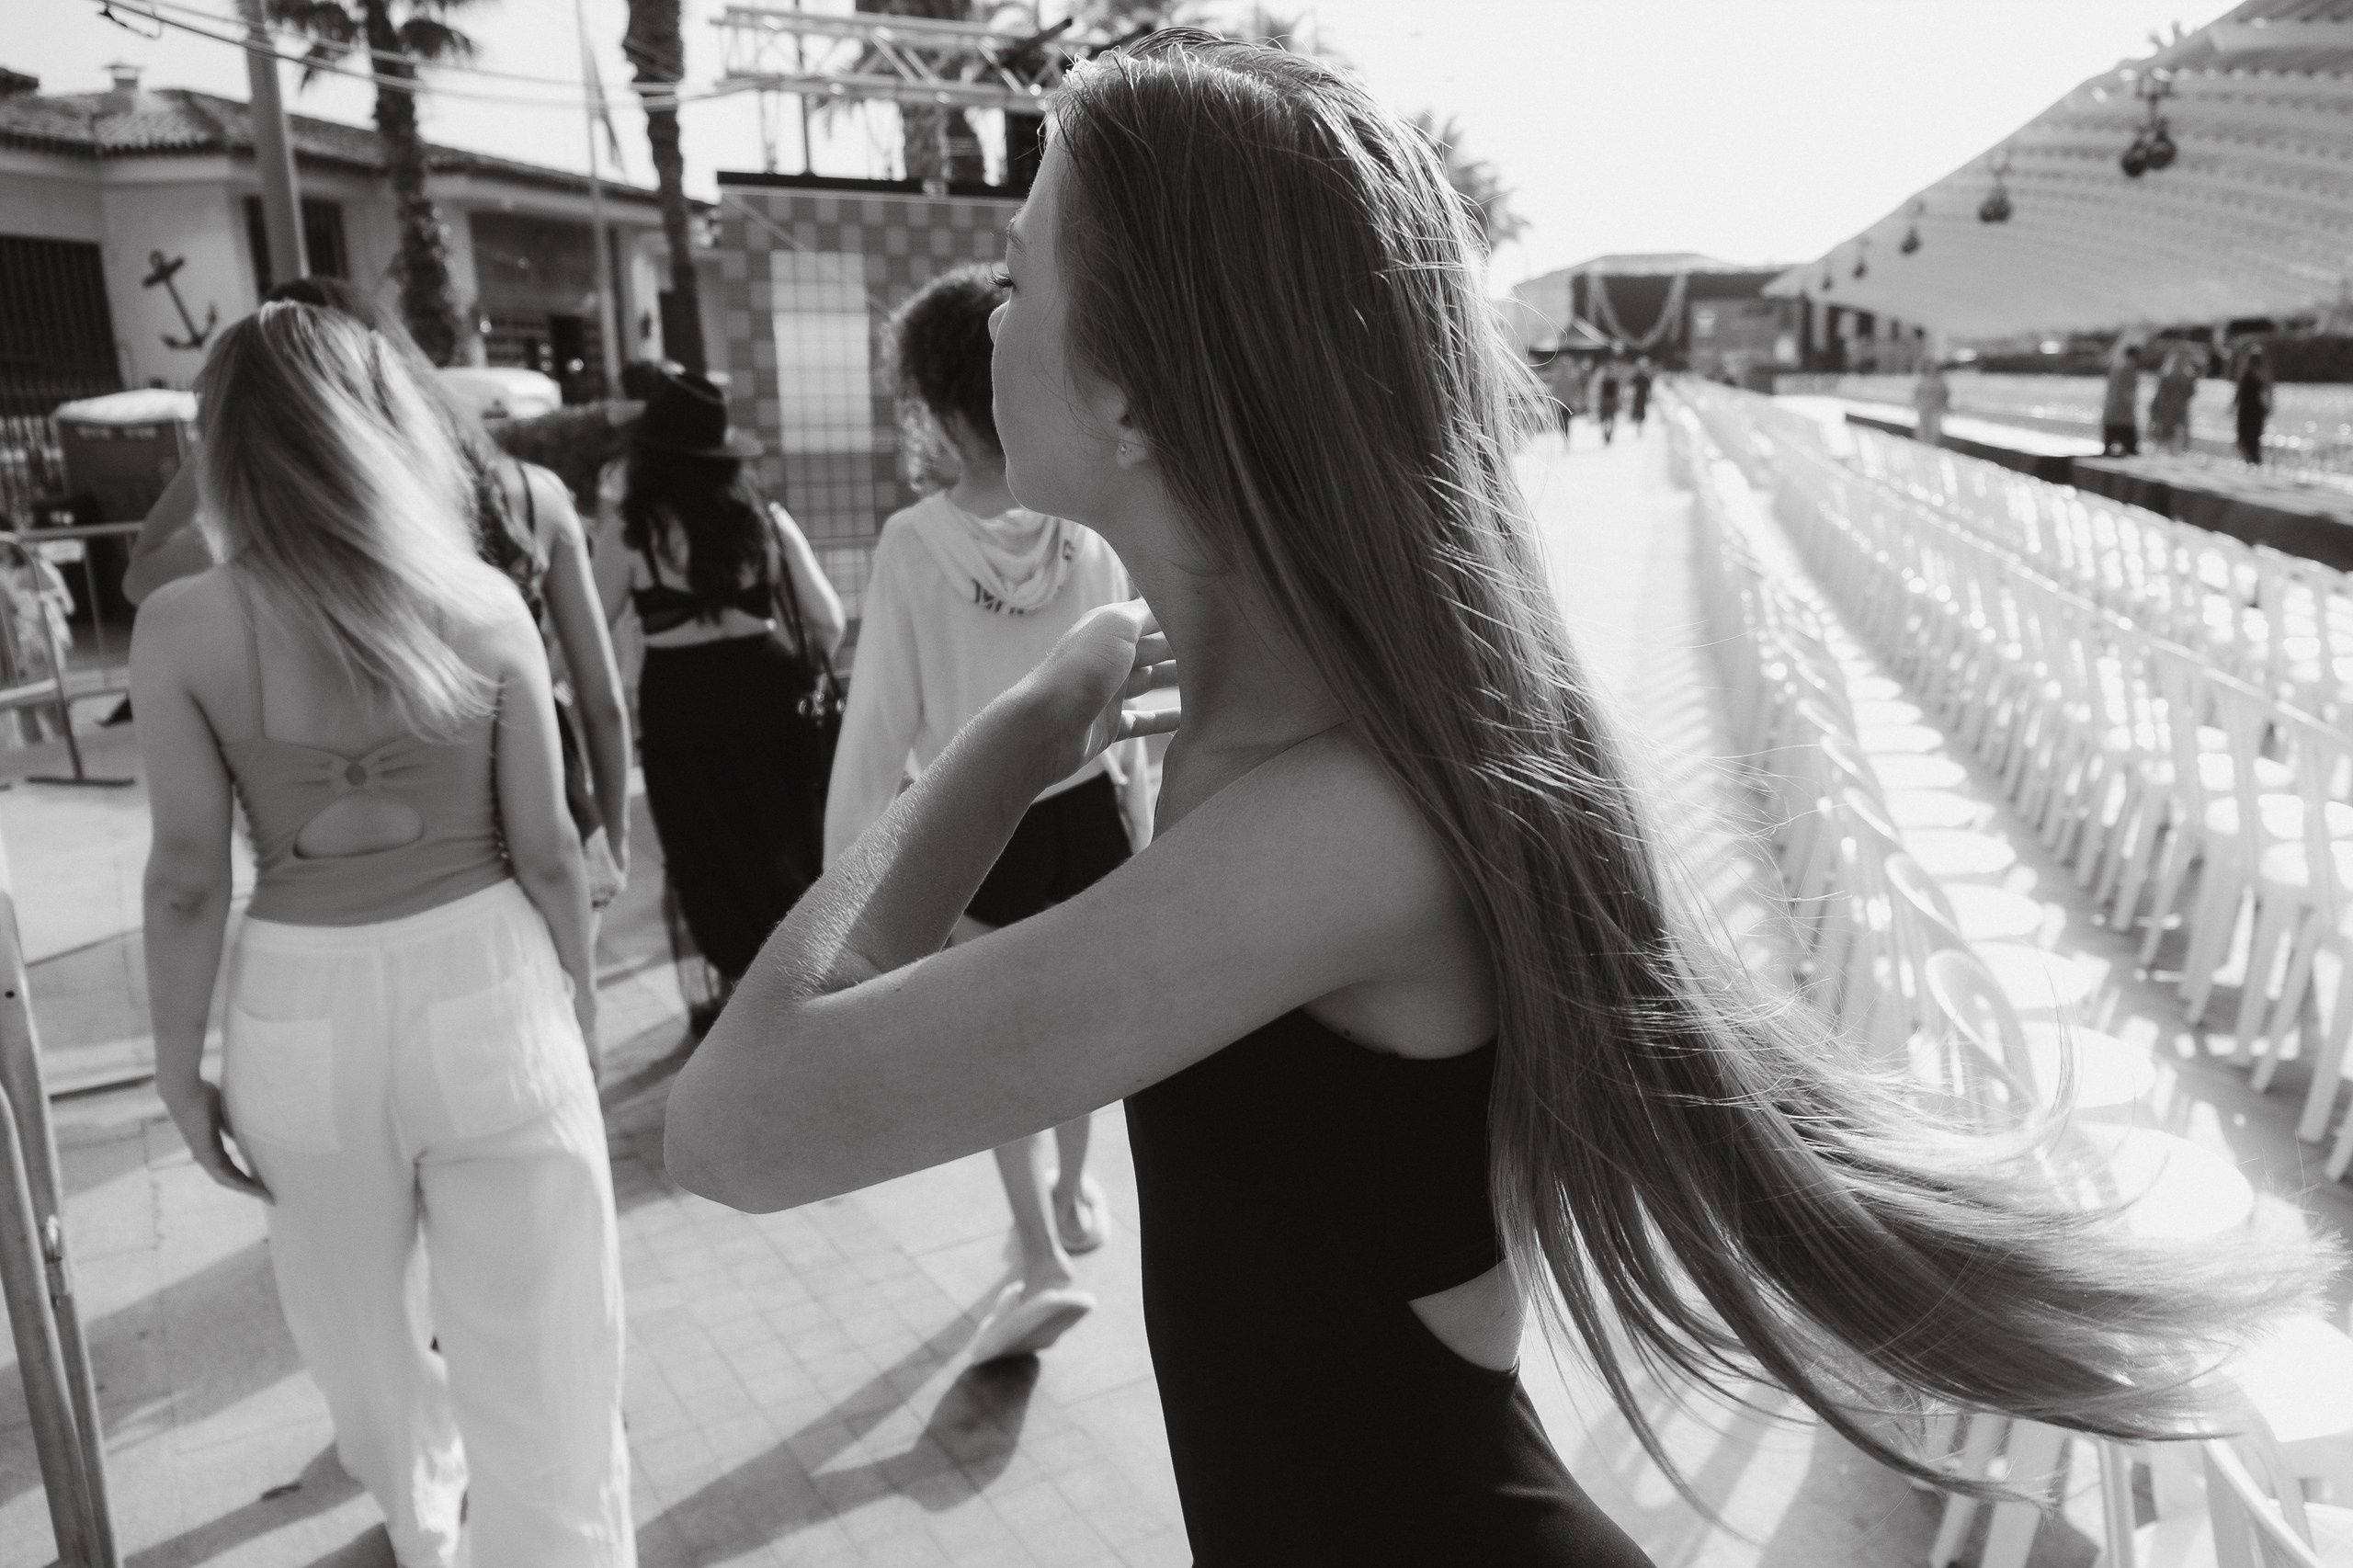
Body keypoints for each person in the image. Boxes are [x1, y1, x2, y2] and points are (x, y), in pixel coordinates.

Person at [664, 34, 2315, 1564]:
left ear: (1137, 397)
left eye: (1022, 276)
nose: (991, 319)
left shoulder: (1330, 830)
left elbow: (734, 1124)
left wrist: (1025, 724)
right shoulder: (1290, 757)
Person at [132, 303, 631, 1563]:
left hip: (298, 1010)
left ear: (222, 447)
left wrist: (178, 1069)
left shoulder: (181, 625)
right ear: (385, 426)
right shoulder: (481, 601)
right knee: (549, 1357)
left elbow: (186, 880)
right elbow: (550, 847)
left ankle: (420, 1515)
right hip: (489, 981)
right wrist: (576, 1004)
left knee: (353, 1330)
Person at [826, 264, 1149, 1363]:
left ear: (933, 400)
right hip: (1092, 817)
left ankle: (1041, 1251)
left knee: (998, 1046)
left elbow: (878, 728)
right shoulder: (1084, 521)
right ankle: (1072, 1191)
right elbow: (1125, 687)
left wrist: (843, 888)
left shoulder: (914, 542)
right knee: (1078, 1028)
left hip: (976, 831)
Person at [123, 279, 633, 916]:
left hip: (397, 848)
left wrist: (228, 429)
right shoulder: (535, 494)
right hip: (552, 809)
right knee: (554, 981)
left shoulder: (289, 536)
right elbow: (601, 700)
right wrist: (614, 831)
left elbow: (142, 571)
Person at [594, 370, 844, 1030]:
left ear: (650, 454)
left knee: (707, 857)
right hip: (769, 697)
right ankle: (802, 990)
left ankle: (744, 1007)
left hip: (681, 711)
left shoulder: (630, 531)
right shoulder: (763, 520)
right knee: (782, 846)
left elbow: (585, 639)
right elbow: (827, 621)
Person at [2148, 346, 2199, 455]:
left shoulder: (2166, 377)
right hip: (2179, 409)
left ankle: (2164, 454)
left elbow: (2160, 396)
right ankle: (2178, 453)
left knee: (2165, 437)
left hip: (2168, 409)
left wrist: (2154, 411)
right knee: (2178, 437)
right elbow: (2192, 394)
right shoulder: (2187, 378)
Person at [2234, 344, 2273, 465]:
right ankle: (2253, 459)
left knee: (2245, 435)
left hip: (2246, 408)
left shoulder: (2246, 373)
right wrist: (2269, 407)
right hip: (2256, 409)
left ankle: (2250, 459)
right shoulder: (2263, 374)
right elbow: (2269, 392)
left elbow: (2239, 391)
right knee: (2254, 435)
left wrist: (2233, 404)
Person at [2102, 344, 2143, 456]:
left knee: (2109, 445)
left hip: (2112, 412)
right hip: (2123, 414)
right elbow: (2127, 391)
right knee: (2130, 446)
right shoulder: (2129, 367)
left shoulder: (2117, 366)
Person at [1913, 359, 1951, 448]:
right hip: (1924, 409)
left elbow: (1945, 395)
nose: (1932, 369)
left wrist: (1945, 407)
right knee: (1923, 430)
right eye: (1930, 367)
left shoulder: (1941, 381)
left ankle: (1932, 448)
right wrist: (1916, 405)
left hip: (1936, 410)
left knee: (1935, 431)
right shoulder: (1923, 380)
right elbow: (1917, 394)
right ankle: (1923, 447)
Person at [1595, 359, 1621, 444]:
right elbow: (1600, 392)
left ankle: (1609, 434)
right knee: (1604, 419)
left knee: (1612, 419)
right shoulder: (1604, 381)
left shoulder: (1615, 381)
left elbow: (1617, 393)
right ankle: (1605, 433)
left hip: (1612, 401)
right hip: (1605, 401)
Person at [1628, 357, 1653, 435]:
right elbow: (1631, 386)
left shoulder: (1645, 378)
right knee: (1638, 411)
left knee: (1640, 412)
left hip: (1642, 397)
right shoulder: (1638, 377)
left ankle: (1639, 426)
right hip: (1638, 396)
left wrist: (1649, 396)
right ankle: (1638, 426)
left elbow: (1649, 388)